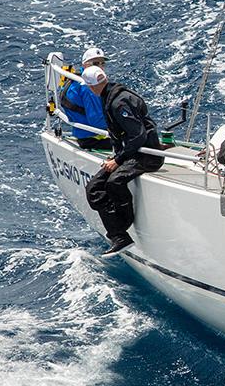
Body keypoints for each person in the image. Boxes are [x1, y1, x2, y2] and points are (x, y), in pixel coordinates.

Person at [82, 65, 164, 256]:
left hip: (147, 156)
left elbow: (138, 135)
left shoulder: (118, 103)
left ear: (91, 87)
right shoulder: (111, 96)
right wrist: (117, 155)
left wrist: (118, 160)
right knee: (94, 187)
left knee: (114, 182)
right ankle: (118, 235)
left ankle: (122, 228)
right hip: (131, 153)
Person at [60, 45, 112, 150]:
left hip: (81, 134)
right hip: (95, 139)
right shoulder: (90, 87)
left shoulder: (76, 79)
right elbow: (97, 121)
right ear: (85, 64)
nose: (100, 67)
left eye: (102, 63)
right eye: (96, 63)